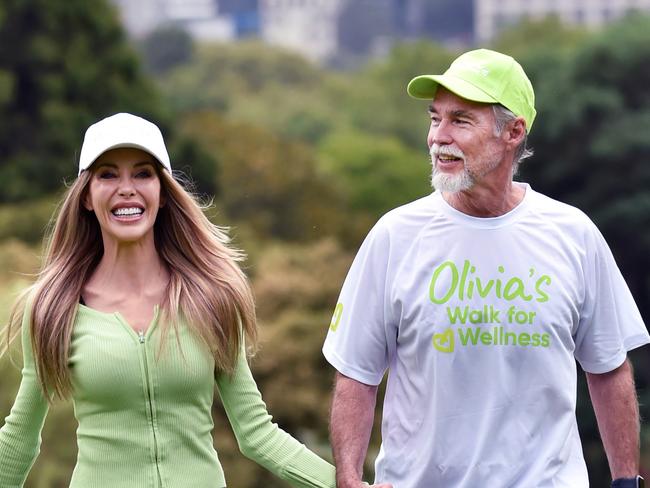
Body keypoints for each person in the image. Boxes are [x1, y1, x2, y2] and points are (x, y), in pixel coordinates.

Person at [322, 49, 649, 488]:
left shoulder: (573, 234)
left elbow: (608, 367)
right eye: (434, 118)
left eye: (460, 120)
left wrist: (626, 480)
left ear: (513, 132)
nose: (439, 137)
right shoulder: (395, 236)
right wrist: (348, 478)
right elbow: (356, 374)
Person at [0, 112, 338, 488]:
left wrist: (349, 485)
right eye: (108, 174)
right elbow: (20, 437)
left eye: (143, 173)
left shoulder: (212, 298)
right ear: (86, 197)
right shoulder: (52, 307)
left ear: (162, 194)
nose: (126, 188)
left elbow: (257, 433)